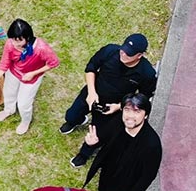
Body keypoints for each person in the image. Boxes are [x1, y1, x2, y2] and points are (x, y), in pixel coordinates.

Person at [75, 92, 162, 191]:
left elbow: (148, 175)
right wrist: (93, 143)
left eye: (137, 112)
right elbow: (102, 138)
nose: (130, 116)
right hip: (108, 172)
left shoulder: (151, 145)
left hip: (125, 184)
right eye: (127, 110)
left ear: (146, 115)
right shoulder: (118, 123)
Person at [62, 33, 157, 167]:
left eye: (128, 54)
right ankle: (76, 121)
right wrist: (91, 92)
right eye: (123, 50)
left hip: (112, 107)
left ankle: (83, 154)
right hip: (92, 93)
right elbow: (91, 67)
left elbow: (143, 96)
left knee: (98, 135)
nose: (123, 54)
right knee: (71, 115)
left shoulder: (147, 73)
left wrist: (119, 107)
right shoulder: (110, 51)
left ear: (139, 55)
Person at [0, 19, 60, 135]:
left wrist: (33, 73)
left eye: (19, 41)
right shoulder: (10, 43)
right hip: (13, 73)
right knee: (8, 93)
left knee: (24, 103)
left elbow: (53, 63)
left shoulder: (41, 48)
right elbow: (4, 63)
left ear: (28, 38)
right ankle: (9, 110)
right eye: (13, 40)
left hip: (31, 79)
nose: (15, 44)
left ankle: (25, 121)